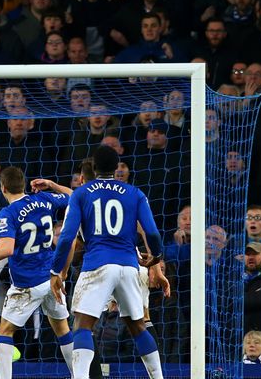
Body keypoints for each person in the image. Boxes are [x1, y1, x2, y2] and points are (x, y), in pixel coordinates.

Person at [50, 145, 164, 379]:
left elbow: (67, 237)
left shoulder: (81, 193)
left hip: (98, 264)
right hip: (129, 265)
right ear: (116, 168)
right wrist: (158, 256)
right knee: (138, 325)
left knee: (82, 325)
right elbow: (152, 232)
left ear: (93, 167)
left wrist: (55, 271)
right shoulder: (135, 193)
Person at [0, 167, 74, 379]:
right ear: (24, 184)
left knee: (5, 330)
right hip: (51, 278)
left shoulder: (7, 213)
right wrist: (53, 184)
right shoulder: (46, 199)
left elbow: (6, 249)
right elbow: (74, 197)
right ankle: (79, 375)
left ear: (3, 188)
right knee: (62, 329)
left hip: (27, 283)